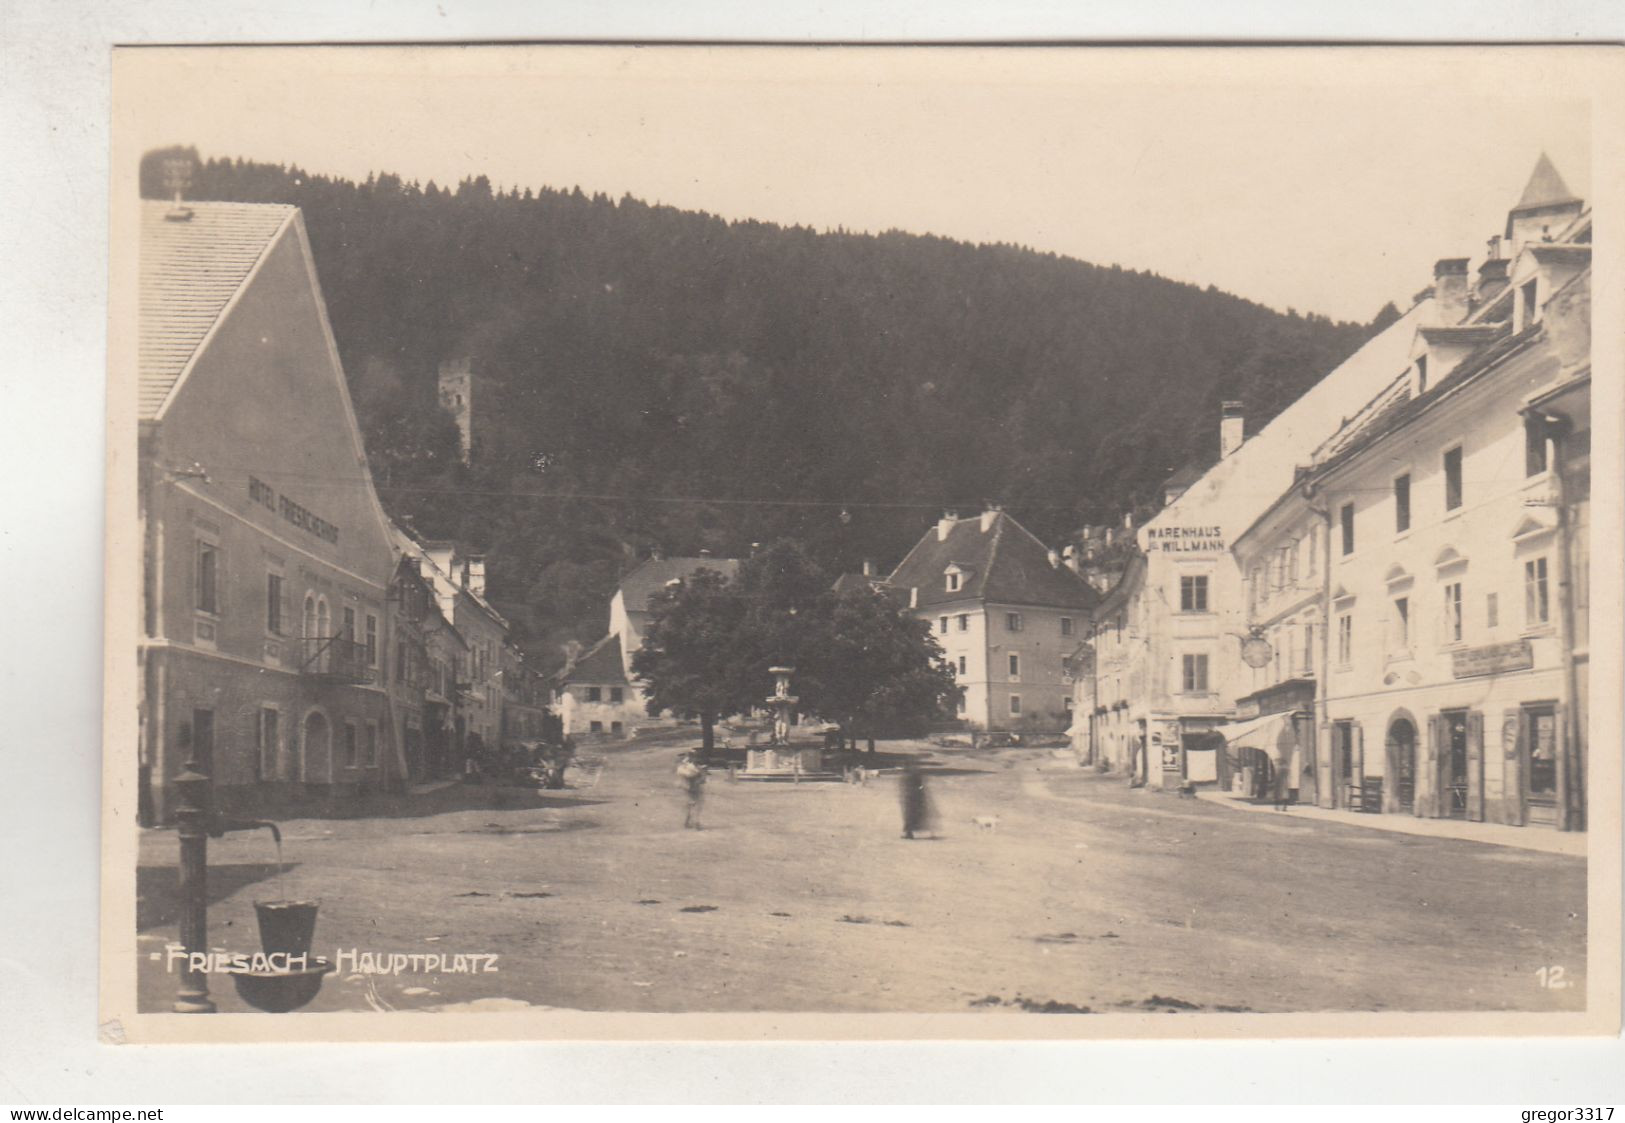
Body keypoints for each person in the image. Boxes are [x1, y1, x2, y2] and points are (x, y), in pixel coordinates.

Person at [898, 757, 934, 839]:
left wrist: (918, 791)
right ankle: (909, 832)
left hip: (912, 797)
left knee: (911, 815)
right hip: (912, 796)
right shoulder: (913, 773)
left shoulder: (912, 774)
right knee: (911, 815)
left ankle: (909, 833)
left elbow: (919, 784)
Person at [676, 752, 707, 830]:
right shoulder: (689, 767)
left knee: (692, 804)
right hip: (692, 787)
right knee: (696, 804)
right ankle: (696, 822)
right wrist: (700, 773)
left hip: (690, 787)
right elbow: (692, 775)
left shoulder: (686, 766)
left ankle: (689, 821)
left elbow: (702, 778)